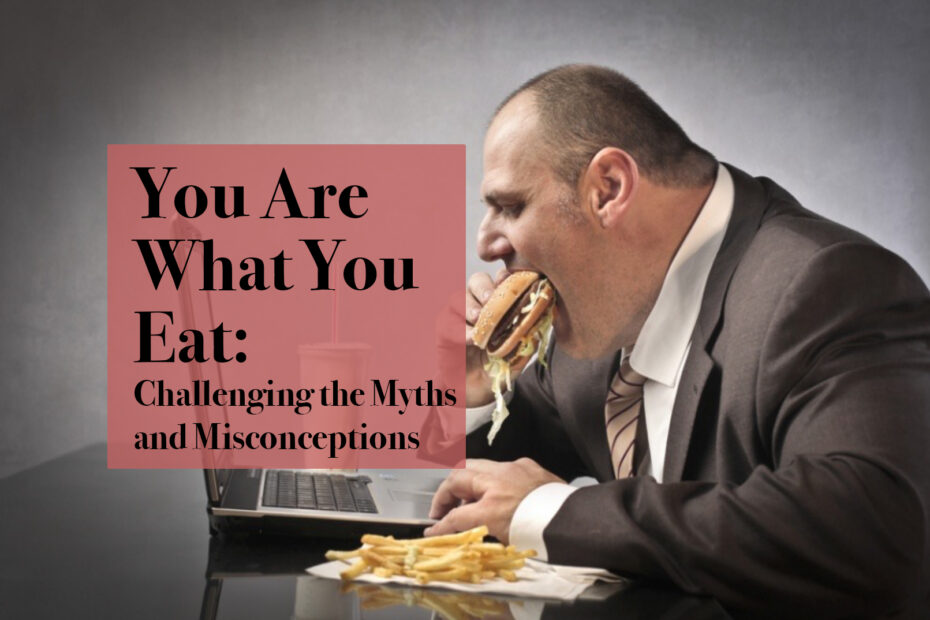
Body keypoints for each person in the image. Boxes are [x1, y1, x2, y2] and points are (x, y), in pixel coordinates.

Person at [425, 65, 930, 616]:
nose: (485, 244)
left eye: (510, 206)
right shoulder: (591, 320)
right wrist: (472, 390)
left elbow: (873, 533)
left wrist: (554, 510)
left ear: (608, 189)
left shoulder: (827, 285)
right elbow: (482, 494)